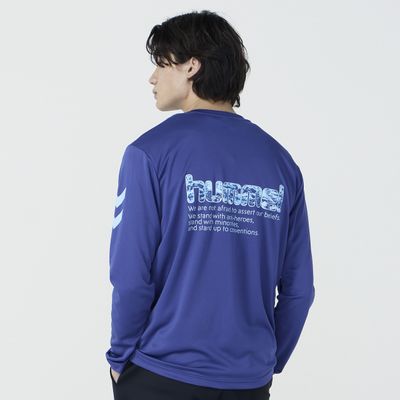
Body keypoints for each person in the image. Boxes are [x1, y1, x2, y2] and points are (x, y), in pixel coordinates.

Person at [105, 9, 315, 400]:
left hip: (161, 374)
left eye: (161, 63)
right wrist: (265, 361)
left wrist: (120, 357)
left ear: (191, 66)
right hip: (247, 382)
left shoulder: (148, 153)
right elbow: (299, 289)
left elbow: (131, 275)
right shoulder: (282, 164)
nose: (152, 77)